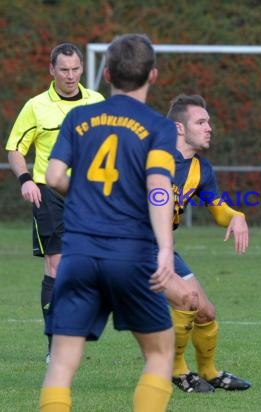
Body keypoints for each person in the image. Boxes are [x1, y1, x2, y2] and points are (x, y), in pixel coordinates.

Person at [40, 34, 179, 412]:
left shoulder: (77, 116)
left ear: (105, 74)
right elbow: (158, 189)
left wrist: (85, 193)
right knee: (159, 353)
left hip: (79, 252)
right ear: (153, 75)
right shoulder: (158, 126)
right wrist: (165, 248)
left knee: (63, 363)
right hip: (131, 252)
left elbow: (53, 176)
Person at [5, 43, 104, 362]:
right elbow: (15, 149)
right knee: (57, 265)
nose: (71, 75)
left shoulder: (97, 102)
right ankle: (56, 345)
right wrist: (26, 179)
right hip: (49, 192)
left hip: (90, 194)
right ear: (51, 70)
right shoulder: (36, 106)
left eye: (76, 69)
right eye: (64, 69)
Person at [164, 94, 251, 393]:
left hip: (161, 249)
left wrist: (235, 216)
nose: (209, 127)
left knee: (205, 313)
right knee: (187, 300)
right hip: (130, 246)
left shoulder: (202, 169)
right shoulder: (150, 157)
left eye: (209, 122)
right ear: (179, 128)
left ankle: (210, 371)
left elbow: (218, 209)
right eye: (200, 122)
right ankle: (175, 371)